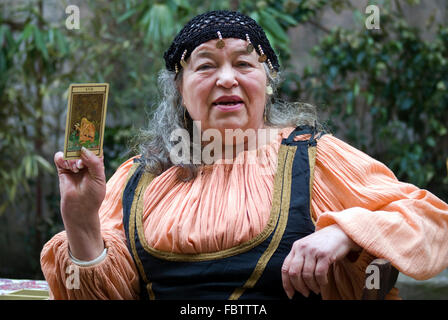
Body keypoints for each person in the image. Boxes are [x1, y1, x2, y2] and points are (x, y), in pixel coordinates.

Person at [41, 10, 448, 300]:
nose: (227, 78)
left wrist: (343, 231)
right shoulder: (137, 178)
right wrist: (80, 222)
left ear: (266, 83)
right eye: (205, 66)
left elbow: (430, 221)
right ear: (179, 90)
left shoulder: (314, 157)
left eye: (243, 63)